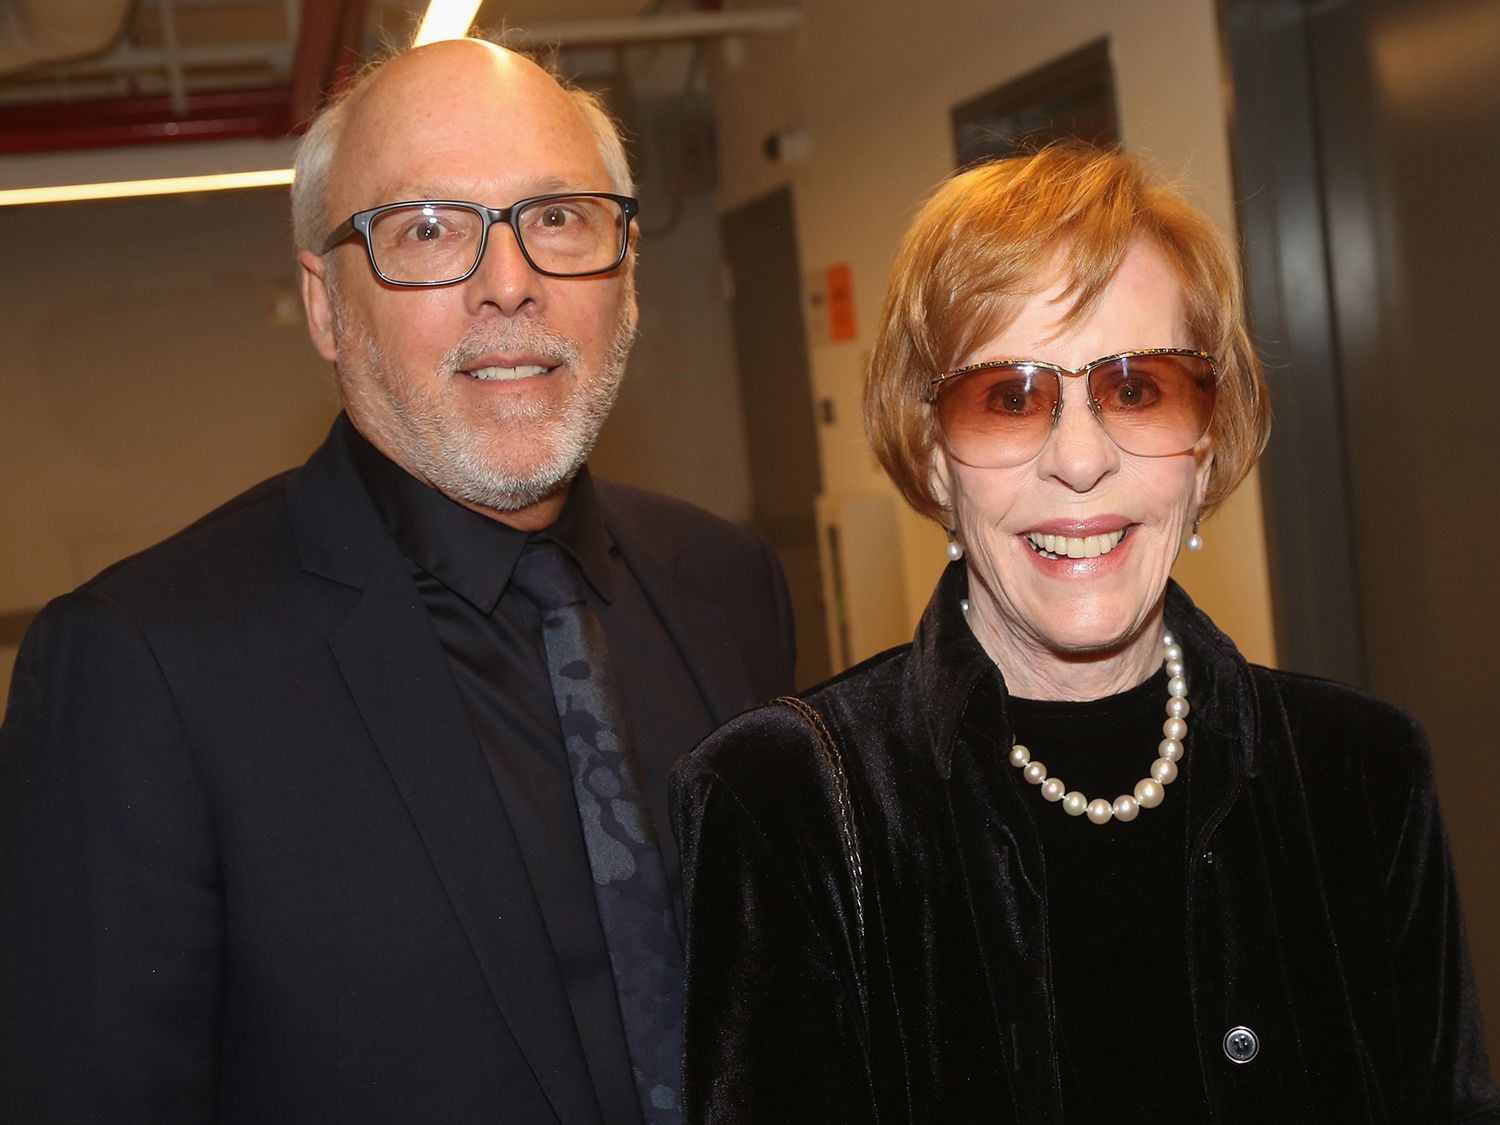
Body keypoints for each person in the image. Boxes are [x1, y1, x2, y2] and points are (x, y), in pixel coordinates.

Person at [0, 38, 794, 1125]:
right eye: (426, 230)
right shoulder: (145, 668)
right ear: (327, 307)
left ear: (629, 275)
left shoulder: (728, 585)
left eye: (557, 216)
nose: (508, 285)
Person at [671, 144, 1499, 1123]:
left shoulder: (1363, 775)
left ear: (1206, 444)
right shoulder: (781, 804)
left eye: (1137, 388)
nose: (1078, 460)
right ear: (935, 460)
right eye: (1009, 396)